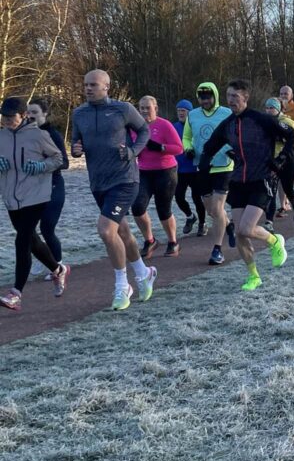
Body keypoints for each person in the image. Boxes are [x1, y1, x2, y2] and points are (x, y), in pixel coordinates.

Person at [71, 69, 154, 311]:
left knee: (106, 231)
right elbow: (76, 142)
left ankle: (122, 285)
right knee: (122, 231)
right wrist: (76, 149)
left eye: (93, 85)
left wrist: (133, 151)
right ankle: (144, 273)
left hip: (125, 179)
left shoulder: (123, 109)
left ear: (106, 87)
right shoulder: (79, 114)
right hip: (98, 182)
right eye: (86, 84)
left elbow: (145, 131)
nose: (88, 88)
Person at [200, 81, 293, 291]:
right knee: (240, 234)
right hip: (238, 182)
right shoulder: (227, 124)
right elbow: (211, 146)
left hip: (261, 179)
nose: (231, 100)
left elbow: (292, 136)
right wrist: (205, 162)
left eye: (235, 96)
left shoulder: (261, 119)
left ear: (245, 98)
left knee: (246, 228)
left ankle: (274, 241)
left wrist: (282, 158)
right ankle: (253, 276)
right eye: (228, 95)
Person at [0, 97, 70, 309]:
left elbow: (58, 159)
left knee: (22, 241)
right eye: (4, 117)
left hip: (36, 195)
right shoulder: (1, 136)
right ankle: (58, 269)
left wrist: (41, 166)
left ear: (23, 116)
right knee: (31, 239)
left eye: (11, 117)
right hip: (11, 197)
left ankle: (16, 293)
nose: (6, 121)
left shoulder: (39, 135)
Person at [183, 82, 235, 266]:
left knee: (218, 208)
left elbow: (234, 135)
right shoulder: (192, 115)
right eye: (201, 98)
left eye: (208, 98)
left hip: (223, 166)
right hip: (202, 166)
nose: (205, 101)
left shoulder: (226, 113)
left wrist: (229, 150)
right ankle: (228, 224)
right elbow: (186, 137)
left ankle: (217, 250)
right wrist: (188, 149)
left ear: (215, 96)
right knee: (212, 211)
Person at [131, 95, 184, 258]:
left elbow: (179, 148)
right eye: (142, 108)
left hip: (165, 171)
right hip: (144, 172)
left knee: (163, 209)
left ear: (155, 109)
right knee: (137, 207)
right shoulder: (134, 127)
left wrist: (161, 147)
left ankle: (173, 242)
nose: (144, 111)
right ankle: (150, 240)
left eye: (148, 108)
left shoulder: (164, 125)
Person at [26, 97, 69, 275]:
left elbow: (65, 162)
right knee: (27, 229)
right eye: (28, 112)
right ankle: (44, 258)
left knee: (47, 228)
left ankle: (58, 266)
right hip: (32, 189)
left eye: (34, 112)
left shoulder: (52, 135)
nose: (30, 116)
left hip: (53, 187)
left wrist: (42, 165)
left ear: (44, 113)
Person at [264, 97, 294, 225]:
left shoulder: (286, 122)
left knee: (287, 188)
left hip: (287, 160)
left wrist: (282, 152)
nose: (268, 110)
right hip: (271, 161)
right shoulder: (265, 122)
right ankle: (269, 221)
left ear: (278, 109)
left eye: (272, 108)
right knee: (271, 191)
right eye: (267, 108)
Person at [173, 100, 207, 236]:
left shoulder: (195, 126)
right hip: (179, 170)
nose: (180, 113)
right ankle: (190, 216)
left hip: (194, 169)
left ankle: (202, 224)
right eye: (178, 111)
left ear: (190, 113)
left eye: (183, 111)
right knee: (178, 197)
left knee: (197, 197)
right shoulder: (173, 127)